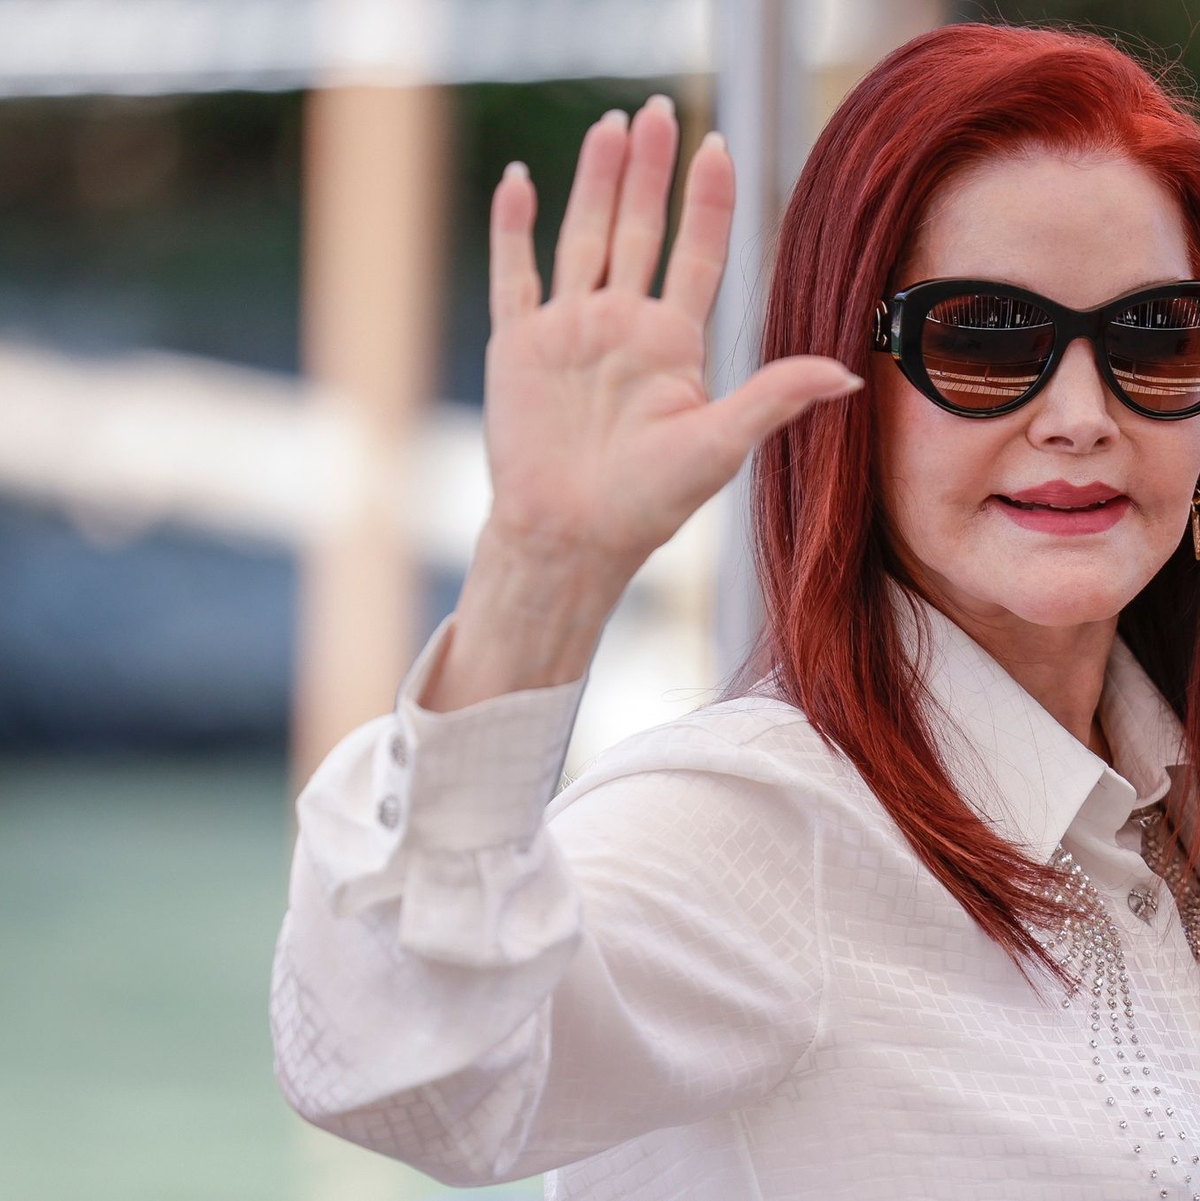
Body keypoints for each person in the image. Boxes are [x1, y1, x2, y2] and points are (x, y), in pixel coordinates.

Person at [269, 20, 1200, 1200]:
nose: (1081, 411)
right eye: (985, 337)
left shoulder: (1161, 808)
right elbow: (408, 1073)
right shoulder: (766, 823)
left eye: (1157, 337)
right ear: (850, 386)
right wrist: (537, 578)